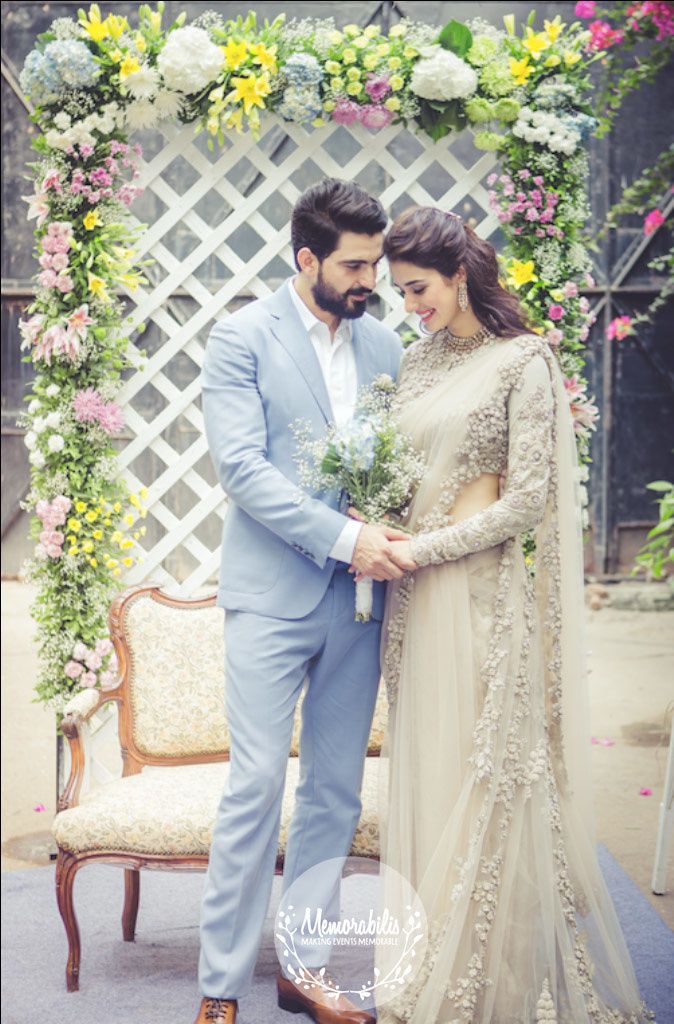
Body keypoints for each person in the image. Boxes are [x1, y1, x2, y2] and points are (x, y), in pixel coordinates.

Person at [367, 206, 652, 1024]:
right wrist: (380, 523)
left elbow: (527, 501)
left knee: (483, 777)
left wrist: (421, 549)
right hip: (411, 601)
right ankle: (429, 964)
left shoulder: (523, 361)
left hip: (480, 604)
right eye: (400, 291)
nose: (410, 305)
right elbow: (397, 471)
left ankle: (495, 983)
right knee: (427, 771)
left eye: (419, 288)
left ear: (460, 275)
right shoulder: (417, 363)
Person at [194, 178, 411, 1024]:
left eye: (377, 263)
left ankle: (305, 970)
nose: (371, 280)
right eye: (355, 265)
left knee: (335, 793)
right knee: (253, 785)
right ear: (307, 258)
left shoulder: (387, 348)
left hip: (362, 604)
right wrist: (344, 535)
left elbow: (402, 460)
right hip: (272, 597)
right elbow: (242, 470)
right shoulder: (240, 336)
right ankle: (221, 985)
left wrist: (385, 528)